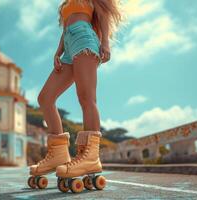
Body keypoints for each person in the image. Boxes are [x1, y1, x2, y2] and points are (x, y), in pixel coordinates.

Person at [28, 0, 122, 193]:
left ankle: (90, 157)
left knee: (86, 98)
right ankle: (58, 154)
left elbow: (103, 16)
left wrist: (105, 43)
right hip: (69, 46)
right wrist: (58, 51)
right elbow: (65, 29)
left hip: (85, 39)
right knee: (45, 98)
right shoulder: (66, 4)